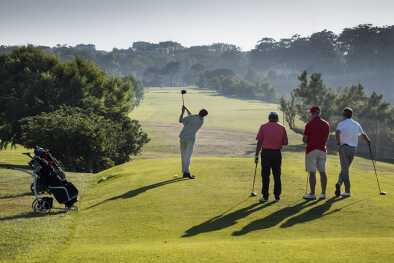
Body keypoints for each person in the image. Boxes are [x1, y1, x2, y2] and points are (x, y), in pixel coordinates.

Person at [335, 107, 370, 197]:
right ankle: (339, 183)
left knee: (345, 169)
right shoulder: (356, 124)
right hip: (353, 149)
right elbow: (363, 134)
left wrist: (338, 144)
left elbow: (337, 133)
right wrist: (368, 141)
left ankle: (347, 191)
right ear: (351, 115)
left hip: (344, 148)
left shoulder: (341, 124)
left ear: (344, 115)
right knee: (345, 168)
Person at [255, 112, 288, 202]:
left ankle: (265, 196)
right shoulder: (282, 127)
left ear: (269, 118)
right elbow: (285, 142)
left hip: (266, 153)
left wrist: (256, 155)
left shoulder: (263, 126)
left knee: (265, 175)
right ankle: (277, 196)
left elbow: (259, 142)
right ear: (277, 119)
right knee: (277, 175)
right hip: (277, 153)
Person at [303, 106, 330, 200]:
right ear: (319, 113)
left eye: (310, 113)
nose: (310, 115)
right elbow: (326, 138)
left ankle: (312, 194)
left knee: (312, 172)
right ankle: (323, 194)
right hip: (322, 150)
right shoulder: (326, 124)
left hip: (311, 150)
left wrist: (308, 141)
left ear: (313, 113)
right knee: (322, 172)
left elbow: (305, 139)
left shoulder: (309, 124)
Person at [179, 105, 208, 179]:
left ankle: (185, 172)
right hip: (190, 139)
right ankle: (187, 173)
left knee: (183, 155)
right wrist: (187, 110)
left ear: (199, 112)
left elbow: (180, 120)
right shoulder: (201, 121)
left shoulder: (192, 118)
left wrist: (182, 111)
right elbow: (191, 116)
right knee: (188, 156)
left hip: (183, 137)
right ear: (204, 116)